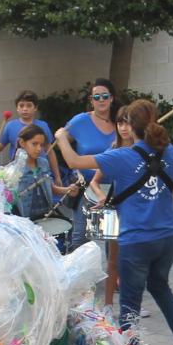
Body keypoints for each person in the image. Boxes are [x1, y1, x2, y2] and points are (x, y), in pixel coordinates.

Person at [56, 100, 173, 345]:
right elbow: (166, 185)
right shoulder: (169, 151)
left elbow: (74, 162)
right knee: (160, 287)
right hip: (167, 237)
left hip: (137, 241)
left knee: (130, 305)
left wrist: (61, 137)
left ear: (131, 127)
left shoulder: (122, 156)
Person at [63, 79, 119, 247]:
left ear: (111, 98)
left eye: (105, 96)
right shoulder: (80, 121)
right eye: (96, 97)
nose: (101, 100)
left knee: (112, 239)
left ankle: (111, 265)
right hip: (86, 187)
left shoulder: (121, 122)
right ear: (91, 100)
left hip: (114, 188)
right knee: (80, 238)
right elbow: (60, 140)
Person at [14, 124, 75, 223]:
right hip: (26, 220)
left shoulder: (44, 163)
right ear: (22, 143)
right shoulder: (14, 169)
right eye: (34, 144)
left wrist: (67, 190)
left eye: (41, 145)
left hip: (46, 215)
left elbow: (50, 187)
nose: (39, 149)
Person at [0, 90, 48, 162]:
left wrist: (56, 170)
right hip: (17, 167)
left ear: (35, 108)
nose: (25, 109)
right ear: (17, 108)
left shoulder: (43, 125)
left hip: (40, 167)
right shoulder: (10, 126)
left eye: (29, 105)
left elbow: (49, 150)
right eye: (21, 106)